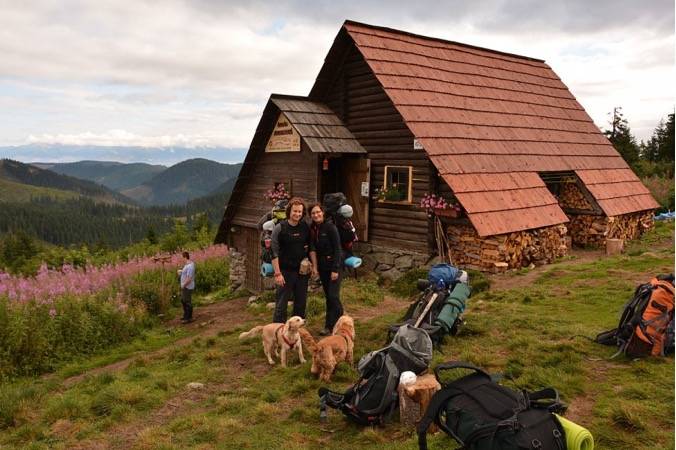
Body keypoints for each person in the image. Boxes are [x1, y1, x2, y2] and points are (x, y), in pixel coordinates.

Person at [270, 197, 312, 323]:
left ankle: (297, 332)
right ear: (289, 211)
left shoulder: (305, 227)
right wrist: (277, 273)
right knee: (281, 304)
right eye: (295, 211)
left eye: (300, 211)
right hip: (285, 272)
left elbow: (310, 247)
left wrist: (309, 263)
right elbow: (273, 252)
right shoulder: (280, 228)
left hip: (301, 272)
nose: (297, 214)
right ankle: (278, 330)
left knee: (300, 303)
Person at [309, 203, 344, 336]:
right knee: (329, 297)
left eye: (318, 212)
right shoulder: (313, 228)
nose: (316, 215)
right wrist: (315, 268)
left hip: (334, 266)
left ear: (322, 213)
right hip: (323, 268)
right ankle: (329, 326)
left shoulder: (330, 227)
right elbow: (312, 248)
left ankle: (342, 322)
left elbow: (337, 249)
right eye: (313, 213)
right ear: (310, 216)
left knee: (333, 296)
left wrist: (335, 269)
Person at [177, 251, 195, 323]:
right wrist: (181, 272)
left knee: (187, 302)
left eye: (182, 257)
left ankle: (188, 318)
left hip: (187, 286)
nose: (181, 259)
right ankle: (186, 316)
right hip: (185, 286)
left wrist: (183, 285)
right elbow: (186, 273)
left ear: (185, 257)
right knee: (183, 300)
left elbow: (189, 278)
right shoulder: (187, 265)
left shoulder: (190, 266)